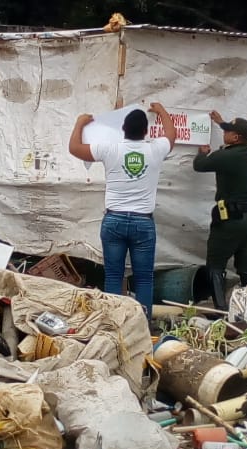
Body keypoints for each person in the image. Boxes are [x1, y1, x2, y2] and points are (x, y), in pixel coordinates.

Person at [69, 103, 176, 317]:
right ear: (146, 131)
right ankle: (142, 325)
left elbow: (75, 148)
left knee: (113, 277)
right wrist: (161, 111)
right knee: (144, 279)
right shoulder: (156, 149)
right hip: (143, 223)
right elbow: (171, 135)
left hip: (114, 221)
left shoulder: (110, 149)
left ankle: (113, 323)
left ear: (123, 128)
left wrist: (80, 122)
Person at [193, 111, 247, 310]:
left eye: (228, 132)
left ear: (236, 137)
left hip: (231, 220)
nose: (224, 133)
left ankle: (221, 311)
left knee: (215, 265)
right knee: (246, 268)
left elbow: (199, 165)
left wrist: (202, 153)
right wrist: (221, 123)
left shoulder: (226, 156)